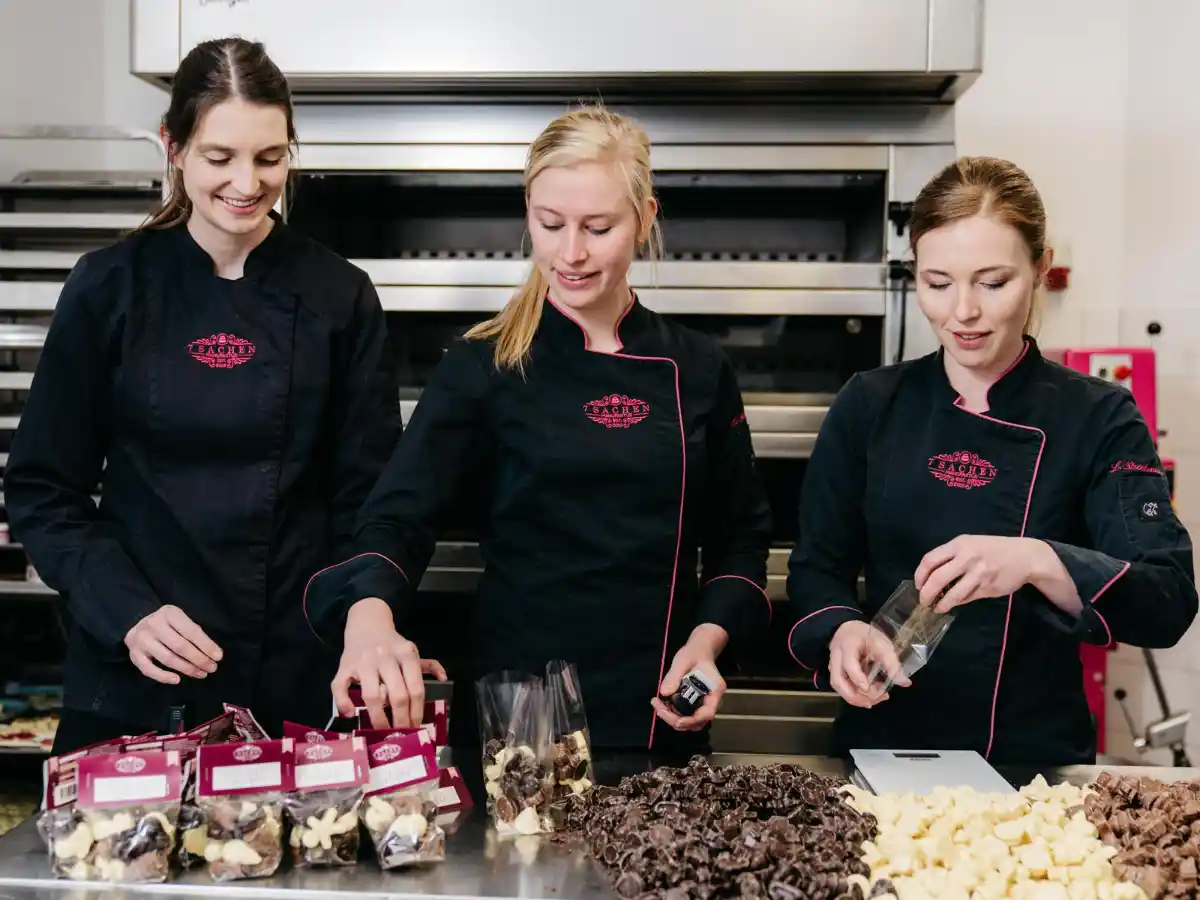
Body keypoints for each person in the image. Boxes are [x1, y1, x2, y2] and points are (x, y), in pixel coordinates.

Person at [303, 105, 773, 752]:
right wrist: (369, 619)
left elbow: (741, 541)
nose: (570, 253)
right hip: (518, 721)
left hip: (659, 711)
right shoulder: (483, 364)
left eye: (598, 227)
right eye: (550, 224)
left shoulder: (697, 367)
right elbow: (395, 518)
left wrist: (706, 641)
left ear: (645, 221)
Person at [5, 38, 407, 752]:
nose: (247, 183)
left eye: (270, 157)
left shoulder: (339, 296)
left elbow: (370, 500)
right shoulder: (109, 287)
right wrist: (126, 610)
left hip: (293, 674)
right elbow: (42, 490)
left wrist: (368, 612)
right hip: (134, 676)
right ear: (174, 146)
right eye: (220, 158)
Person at [786, 156, 1197, 766]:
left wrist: (1036, 558)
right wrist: (843, 630)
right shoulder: (870, 405)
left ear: (1040, 270)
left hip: (1033, 764)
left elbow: (1166, 600)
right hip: (881, 748)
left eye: (992, 282)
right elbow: (818, 566)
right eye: (937, 282)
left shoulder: (1098, 416)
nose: (963, 313)